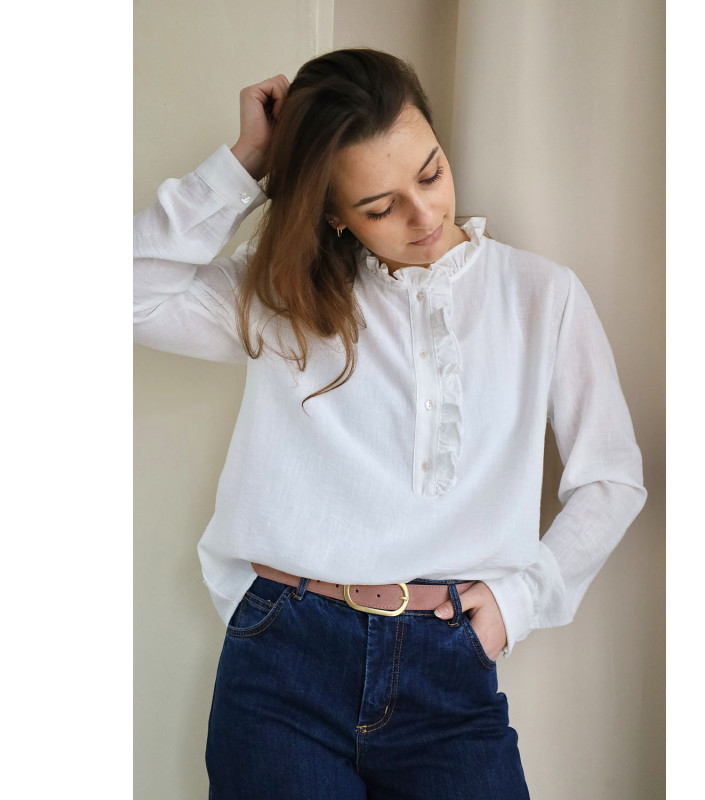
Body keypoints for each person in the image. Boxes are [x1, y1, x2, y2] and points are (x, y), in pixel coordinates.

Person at [134, 48, 646, 799]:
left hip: (450, 669)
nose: (425, 216)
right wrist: (247, 163)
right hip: (283, 665)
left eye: (430, 173)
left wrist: (518, 602)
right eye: (379, 207)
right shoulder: (284, 297)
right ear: (333, 213)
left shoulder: (542, 296)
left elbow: (611, 479)